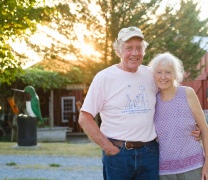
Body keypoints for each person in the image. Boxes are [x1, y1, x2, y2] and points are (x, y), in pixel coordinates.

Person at [78, 27, 200, 180]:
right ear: (118, 50)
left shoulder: (151, 74)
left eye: (139, 48)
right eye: (129, 48)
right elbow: (85, 117)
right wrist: (108, 147)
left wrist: (193, 127)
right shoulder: (104, 78)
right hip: (118, 155)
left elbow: (172, 99)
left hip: (150, 153)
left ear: (144, 51)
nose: (135, 53)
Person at [148, 52, 208, 180]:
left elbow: (204, 129)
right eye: (159, 72)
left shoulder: (187, 93)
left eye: (168, 72)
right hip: (164, 171)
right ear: (153, 75)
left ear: (176, 75)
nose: (163, 77)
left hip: (193, 167)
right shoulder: (151, 100)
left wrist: (207, 165)